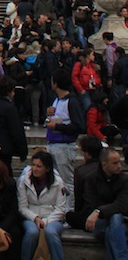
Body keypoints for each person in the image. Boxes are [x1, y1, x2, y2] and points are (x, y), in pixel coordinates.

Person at [16, 150, 69, 260]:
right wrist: (35, 218)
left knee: (51, 233)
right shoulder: (24, 181)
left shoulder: (58, 183)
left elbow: (61, 208)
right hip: (30, 216)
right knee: (31, 233)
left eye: (39, 166)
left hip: (53, 217)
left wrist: (47, 220)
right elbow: (22, 207)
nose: (35, 169)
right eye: (33, 165)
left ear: (47, 168)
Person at [78, 146, 128, 260]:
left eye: (119, 162)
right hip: (98, 224)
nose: (119, 166)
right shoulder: (91, 179)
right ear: (104, 164)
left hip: (118, 224)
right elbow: (91, 204)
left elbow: (122, 205)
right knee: (114, 222)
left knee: (112, 228)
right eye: (115, 163)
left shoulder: (124, 180)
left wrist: (99, 211)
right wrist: (99, 212)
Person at [45, 70, 85, 211]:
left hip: (64, 146)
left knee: (66, 182)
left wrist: (57, 126)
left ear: (55, 83)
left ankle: (69, 211)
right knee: (55, 181)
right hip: (53, 143)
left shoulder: (72, 101)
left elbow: (78, 126)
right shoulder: (57, 100)